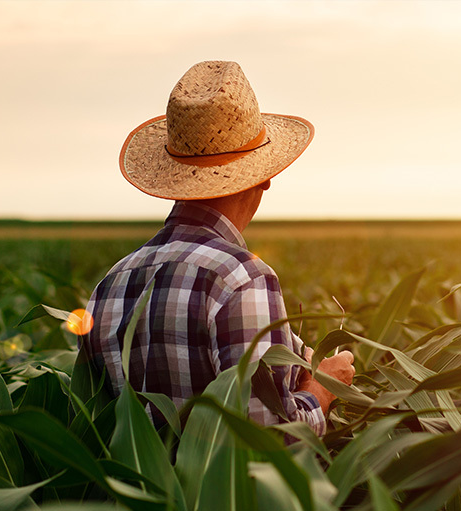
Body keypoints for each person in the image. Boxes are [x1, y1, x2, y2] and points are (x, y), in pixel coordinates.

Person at [82, 61, 355, 436]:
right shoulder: (242, 278)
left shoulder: (110, 284)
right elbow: (271, 441)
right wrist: (321, 388)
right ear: (265, 178)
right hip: (221, 497)